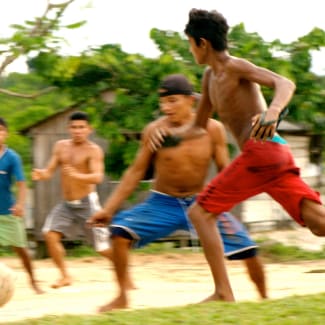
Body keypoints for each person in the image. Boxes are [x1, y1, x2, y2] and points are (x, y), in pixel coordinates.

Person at [175, 8, 325, 303]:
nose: (190, 49)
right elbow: (199, 126)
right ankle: (223, 291)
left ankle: (223, 292)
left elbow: (285, 84)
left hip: (262, 150)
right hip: (270, 157)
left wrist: (272, 112)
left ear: (202, 43)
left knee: (199, 213)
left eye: (190, 43)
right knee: (318, 223)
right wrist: (164, 130)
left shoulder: (235, 67)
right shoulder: (209, 78)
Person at [87, 74, 267, 312]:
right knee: (120, 234)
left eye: (172, 101)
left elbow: (225, 170)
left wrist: (225, 204)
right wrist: (108, 209)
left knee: (248, 250)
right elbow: (135, 171)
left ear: (190, 100)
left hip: (202, 203)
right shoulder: (155, 130)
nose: (166, 108)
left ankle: (265, 300)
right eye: (163, 102)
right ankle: (122, 296)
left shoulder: (213, 129)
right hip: (163, 203)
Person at [31, 111, 116, 289]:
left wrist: (78, 175)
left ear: (89, 129)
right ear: (68, 128)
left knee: (102, 248)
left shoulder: (93, 150)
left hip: (88, 204)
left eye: (81, 127)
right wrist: (41, 174)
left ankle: (124, 271)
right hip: (67, 205)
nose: (78, 131)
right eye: (74, 127)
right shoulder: (60, 146)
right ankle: (65, 276)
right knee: (49, 234)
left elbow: (98, 177)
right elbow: (49, 171)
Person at [0, 117, 44, 294]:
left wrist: (20, 204)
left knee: (22, 250)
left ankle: (34, 282)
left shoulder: (12, 157)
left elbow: (22, 183)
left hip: (8, 211)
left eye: (1, 130)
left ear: (6, 134)